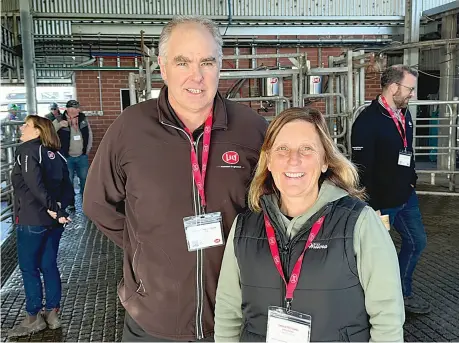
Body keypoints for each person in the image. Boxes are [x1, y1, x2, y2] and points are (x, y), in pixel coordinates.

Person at [83, 15, 268, 342]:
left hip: (231, 320)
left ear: (220, 65)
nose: (196, 76)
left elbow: (275, 207)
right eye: (183, 62)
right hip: (153, 322)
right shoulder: (131, 128)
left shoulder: (251, 129)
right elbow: (98, 203)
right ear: (163, 67)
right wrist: (144, 248)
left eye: (206, 62)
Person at [214, 107, 405, 342]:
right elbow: (227, 312)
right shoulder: (244, 227)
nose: (294, 159)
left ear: (325, 160)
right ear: (269, 160)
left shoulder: (360, 223)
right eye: (282, 149)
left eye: (307, 149)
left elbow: (387, 317)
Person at [351, 65, 430, 314]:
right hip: (382, 202)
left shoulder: (403, 115)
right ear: (393, 87)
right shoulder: (367, 121)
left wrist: (412, 179)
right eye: (410, 89)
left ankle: (402, 294)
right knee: (377, 257)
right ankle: (375, 304)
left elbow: (408, 150)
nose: (412, 95)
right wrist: (371, 206)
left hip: (406, 196)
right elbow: (362, 168)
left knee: (417, 242)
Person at [8, 115, 74, 338]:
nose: (21, 128)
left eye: (26, 125)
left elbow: (33, 183)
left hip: (32, 219)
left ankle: (33, 318)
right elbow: (67, 187)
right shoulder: (58, 156)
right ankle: (53, 314)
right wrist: (62, 210)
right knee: (49, 265)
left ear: (37, 132)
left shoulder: (27, 151)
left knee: (29, 268)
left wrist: (50, 207)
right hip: (55, 222)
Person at [57, 100, 93, 210]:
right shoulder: (59, 119)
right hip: (67, 157)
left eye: (78, 108)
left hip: (82, 156)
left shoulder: (83, 119)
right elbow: (49, 132)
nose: (78, 110)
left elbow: (90, 134)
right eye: (76, 108)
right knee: (68, 180)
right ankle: (70, 202)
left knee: (85, 179)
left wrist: (87, 150)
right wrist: (59, 125)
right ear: (68, 109)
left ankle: (86, 202)